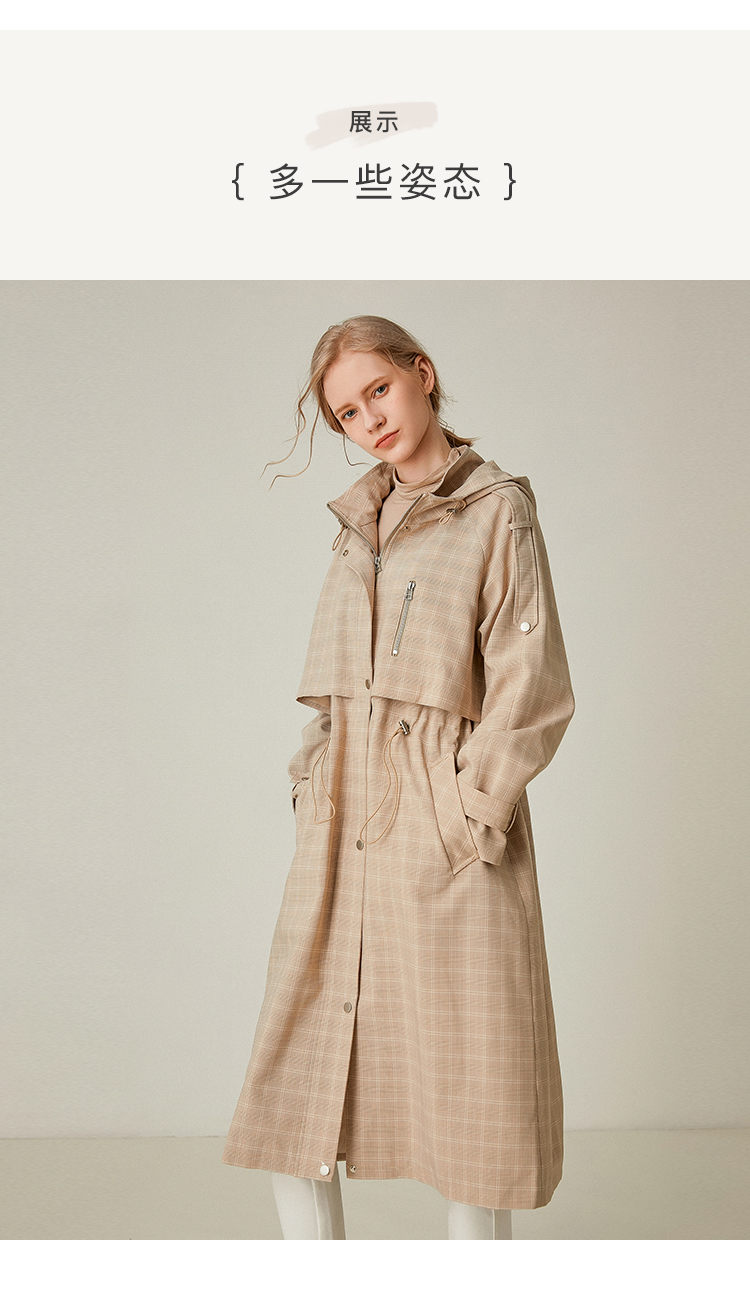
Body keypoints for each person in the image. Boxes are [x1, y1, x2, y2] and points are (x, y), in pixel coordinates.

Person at [222, 315, 575, 1240]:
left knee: (472, 1116)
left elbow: (531, 688)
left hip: (447, 842)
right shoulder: (355, 527)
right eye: (347, 411)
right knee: (295, 1101)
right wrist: (313, 786)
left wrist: (464, 816)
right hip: (341, 837)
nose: (369, 419)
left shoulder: (497, 510)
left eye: (378, 390)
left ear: (422, 373)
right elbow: (338, 693)